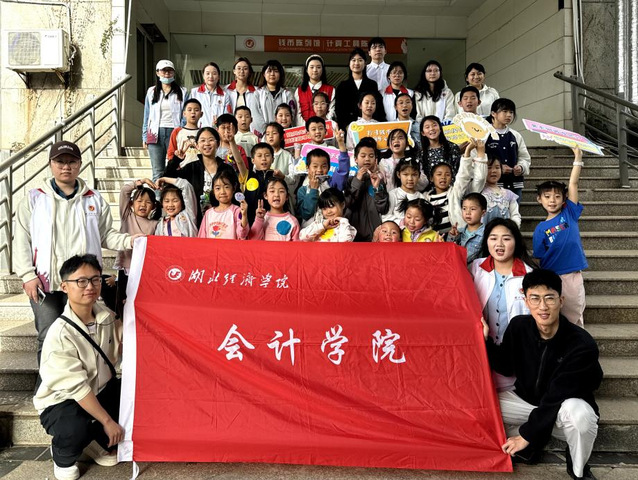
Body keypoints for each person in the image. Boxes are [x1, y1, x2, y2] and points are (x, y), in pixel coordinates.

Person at [15, 141, 135, 365]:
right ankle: (49, 387)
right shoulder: (34, 199)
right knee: (48, 337)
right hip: (46, 284)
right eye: (60, 162)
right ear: (51, 164)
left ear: (80, 164)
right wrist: (27, 275)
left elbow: (106, 235)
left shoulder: (93, 198)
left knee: (83, 336)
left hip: (83, 282)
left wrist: (130, 240)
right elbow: (22, 239)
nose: (66, 167)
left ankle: (83, 384)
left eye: (71, 162)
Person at [482, 268, 602, 480]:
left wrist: (527, 435)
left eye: (549, 298)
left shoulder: (581, 343)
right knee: (478, 408)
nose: (543, 306)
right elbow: (505, 366)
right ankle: (531, 448)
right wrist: (485, 341)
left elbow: (557, 394)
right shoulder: (519, 326)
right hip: (525, 401)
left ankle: (579, 469)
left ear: (561, 301)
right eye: (535, 298)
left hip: (562, 408)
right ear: (526, 301)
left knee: (581, 418)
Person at [35, 254, 124, 480]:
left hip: (100, 390)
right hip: (63, 401)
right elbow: (77, 387)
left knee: (133, 396)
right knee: (74, 428)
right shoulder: (60, 334)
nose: (90, 287)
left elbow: (126, 345)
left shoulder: (107, 317)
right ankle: (63, 454)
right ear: (64, 286)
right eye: (81, 281)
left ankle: (94, 441)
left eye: (95, 279)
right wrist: (107, 421)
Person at [470, 219, 535, 392]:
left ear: (516, 241)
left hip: (517, 354)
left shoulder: (529, 275)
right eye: (493, 238)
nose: (499, 244)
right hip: (483, 349)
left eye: (506, 238)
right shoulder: (476, 268)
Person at [533, 147, 588, 327]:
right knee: (553, 315)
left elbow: (573, 184)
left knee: (574, 313)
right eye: (547, 196)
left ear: (564, 199)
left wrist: (578, 157)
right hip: (551, 275)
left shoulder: (569, 213)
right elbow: (538, 258)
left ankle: (577, 342)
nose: (552, 200)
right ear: (539, 199)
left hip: (572, 274)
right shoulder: (540, 229)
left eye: (557, 196)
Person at [163, 127, 235, 225]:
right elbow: (168, 179)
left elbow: (235, 193)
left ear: (218, 144)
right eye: (202, 141)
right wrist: (176, 160)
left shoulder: (226, 169)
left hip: (223, 221)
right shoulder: (191, 168)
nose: (207, 144)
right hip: (196, 222)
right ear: (197, 145)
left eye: (211, 140)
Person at [110, 179, 159, 318]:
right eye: (139, 201)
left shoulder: (155, 224)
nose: (143, 205)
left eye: (148, 202)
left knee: (140, 301)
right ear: (131, 204)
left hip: (143, 270)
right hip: (126, 268)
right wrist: (140, 182)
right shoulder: (127, 216)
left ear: (153, 206)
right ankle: (122, 325)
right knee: (123, 301)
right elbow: (124, 191)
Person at [423, 139, 485, 235]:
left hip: (456, 237)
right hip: (434, 240)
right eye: (439, 174)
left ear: (452, 177)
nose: (443, 177)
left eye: (447, 174)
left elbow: (463, 175)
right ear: (431, 178)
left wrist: (467, 153)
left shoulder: (455, 192)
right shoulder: (425, 198)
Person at [142, 59, 186, 182]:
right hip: (154, 133)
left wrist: (181, 132)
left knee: (175, 167)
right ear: (157, 73)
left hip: (174, 132)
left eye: (170, 71)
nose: (167, 74)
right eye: (163, 71)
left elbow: (185, 115)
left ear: (174, 73)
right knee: (157, 171)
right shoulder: (151, 92)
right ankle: (157, 194)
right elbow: (147, 115)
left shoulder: (182, 91)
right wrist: (144, 136)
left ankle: (172, 193)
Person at [296, 131, 350, 227]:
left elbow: (343, 171)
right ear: (307, 168)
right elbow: (306, 214)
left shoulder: (331, 184)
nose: (319, 170)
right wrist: (313, 190)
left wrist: (341, 145)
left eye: (324, 166)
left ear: (329, 168)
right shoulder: (302, 190)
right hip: (311, 232)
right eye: (315, 166)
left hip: (333, 229)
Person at [485, 98, 531, 202]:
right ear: (493, 113)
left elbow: (524, 157)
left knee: (514, 211)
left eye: (511, 112)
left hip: (515, 184)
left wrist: (521, 167)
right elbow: (479, 158)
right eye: (505, 111)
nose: (509, 115)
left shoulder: (515, 135)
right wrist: (498, 168)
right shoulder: (485, 134)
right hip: (492, 184)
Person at [344, 137, 389, 242]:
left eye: (371, 156)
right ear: (355, 159)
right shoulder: (350, 180)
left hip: (375, 233)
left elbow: (383, 208)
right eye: (363, 156)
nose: (367, 159)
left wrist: (377, 188)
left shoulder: (379, 181)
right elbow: (349, 203)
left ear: (376, 159)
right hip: (353, 233)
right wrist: (358, 181)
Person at [335, 48, 385, 130]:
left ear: (365, 63)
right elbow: (339, 110)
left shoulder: (372, 84)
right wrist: (346, 126)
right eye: (353, 60)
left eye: (360, 60)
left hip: (369, 126)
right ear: (349, 63)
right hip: (349, 127)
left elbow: (378, 107)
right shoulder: (343, 85)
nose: (356, 63)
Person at [198, 170, 249, 240]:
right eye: (218, 188)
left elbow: (242, 235)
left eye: (226, 187)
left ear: (234, 188)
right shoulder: (208, 213)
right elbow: (201, 238)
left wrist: (244, 215)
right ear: (213, 191)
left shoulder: (237, 211)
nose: (222, 192)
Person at [474, 153, 522, 226]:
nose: (494, 171)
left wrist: (512, 228)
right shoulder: (478, 191)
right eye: (489, 167)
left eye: (497, 167)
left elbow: (515, 215)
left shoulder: (509, 194)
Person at [225, 57, 265, 135]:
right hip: (231, 132)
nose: (242, 71)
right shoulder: (226, 91)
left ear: (249, 72)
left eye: (245, 69)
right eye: (239, 68)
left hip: (253, 132)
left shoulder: (258, 92)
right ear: (234, 71)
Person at [294, 54, 335, 126]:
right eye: (312, 67)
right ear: (306, 70)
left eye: (318, 67)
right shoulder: (299, 90)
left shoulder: (331, 90)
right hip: (303, 129)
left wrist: (322, 125)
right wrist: (307, 127)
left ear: (322, 70)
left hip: (324, 128)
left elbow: (332, 111)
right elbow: (297, 113)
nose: (315, 70)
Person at [447, 192, 487, 265]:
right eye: (464, 208)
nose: (467, 212)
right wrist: (452, 237)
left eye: (472, 209)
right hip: (458, 269)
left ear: (483, 212)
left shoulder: (487, 233)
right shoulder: (459, 231)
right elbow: (449, 253)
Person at [382, 158, 424, 225]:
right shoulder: (393, 194)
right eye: (406, 174)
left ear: (419, 175)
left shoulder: (421, 197)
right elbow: (385, 217)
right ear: (398, 174)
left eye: (414, 175)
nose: (410, 179)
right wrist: (401, 222)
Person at [188, 62, 231, 128]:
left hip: (217, 131)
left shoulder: (225, 96)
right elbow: (188, 113)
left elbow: (227, 116)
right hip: (198, 130)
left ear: (219, 76)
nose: (211, 76)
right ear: (203, 76)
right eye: (207, 73)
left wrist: (219, 122)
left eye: (214, 73)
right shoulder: (194, 93)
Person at [257, 59, 296, 126]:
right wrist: (267, 130)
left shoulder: (287, 94)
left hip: (283, 131)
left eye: (276, 71)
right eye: (269, 71)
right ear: (264, 74)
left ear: (280, 74)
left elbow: (291, 115)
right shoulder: (257, 94)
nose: (272, 74)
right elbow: (256, 116)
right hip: (265, 131)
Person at [166, 98, 203, 167]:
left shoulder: (203, 133)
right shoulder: (177, 131)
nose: (193, 112)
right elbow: (171, 152)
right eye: (189, 110)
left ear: (201, 114)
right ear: (184, 113)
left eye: (196, 110)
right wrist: (175, 166)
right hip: (182, 169)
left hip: (201, 169)